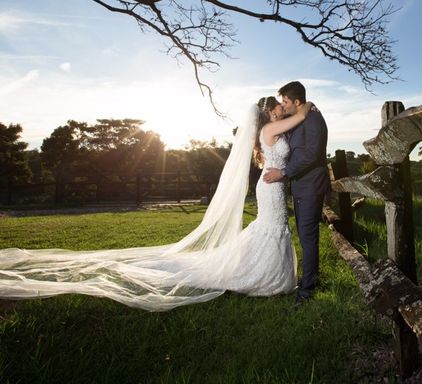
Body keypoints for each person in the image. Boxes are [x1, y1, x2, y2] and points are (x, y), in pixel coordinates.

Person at [0, 97, 312, 311]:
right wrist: (305, 106)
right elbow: (299, 116)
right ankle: (263, 278)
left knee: (271, 229)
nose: (278, 111)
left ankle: (268, 275)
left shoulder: (266, 130)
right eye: (275, 107)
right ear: (267, 114)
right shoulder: (271, 129)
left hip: (271, 186)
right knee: (271, 229)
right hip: (271, 189)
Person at [263, 81, 330, 306]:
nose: (283, 105)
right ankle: (310, 280)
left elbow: (311, 154)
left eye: (285, 101)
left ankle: (307, 290)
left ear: (297, 102)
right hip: (301, 186)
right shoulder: (301, 117)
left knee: (308, 237)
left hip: (311, 186)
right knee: (305, 235)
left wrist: (283, 172)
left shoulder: (314, 120)